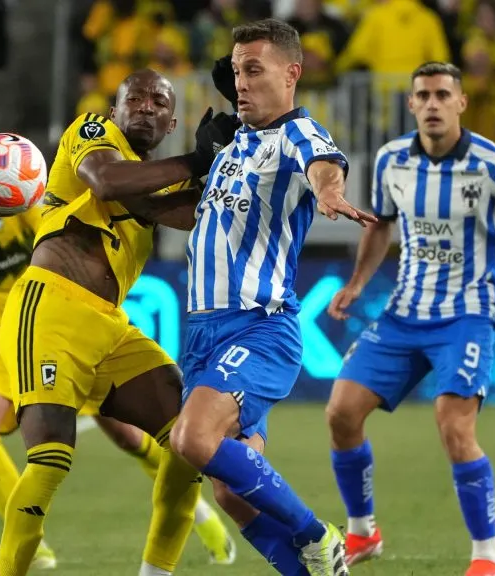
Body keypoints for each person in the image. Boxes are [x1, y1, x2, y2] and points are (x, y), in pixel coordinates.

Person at [0, 101, 234, 573]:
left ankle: (203, 518)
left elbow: (68, 233)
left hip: (58, 319)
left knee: (131, 435)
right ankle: (29, 547)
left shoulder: (16, 187)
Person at [0, 70, 241, 576]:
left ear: (172, 123)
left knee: (189, 439)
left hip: (110, 328)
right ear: (114, 109)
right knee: (50, 461)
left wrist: (243, 156)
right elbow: (107, 181)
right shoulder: (91, 134)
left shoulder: (155, 181)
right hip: (50, 311)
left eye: (159, 102)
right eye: (136, 97)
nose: (147, 106)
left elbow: (199, 212)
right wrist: (197, 159)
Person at [324, 61, 495, 576]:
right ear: (411, 105)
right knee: (341, 412)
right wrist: (358, 283)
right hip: (402, 316)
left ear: (461, 103)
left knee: (453, 426)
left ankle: (487, 558)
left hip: (467, 317)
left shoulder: (494, 165)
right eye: (423, 96)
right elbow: (381, 226)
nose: (432, 104)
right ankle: (363, 532)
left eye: (442, 95)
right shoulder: (391, 160)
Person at [168, 19, 375, 576]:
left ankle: (317, 533)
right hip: (203, 334)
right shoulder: (234, 143)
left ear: (292, 74)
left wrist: (330, 190)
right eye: (236, 71)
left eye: (254, 70)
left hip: (259, 328)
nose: (240, 83)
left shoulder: (296, 136)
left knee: (190, 438)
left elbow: (324, 165)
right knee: (233, 493)